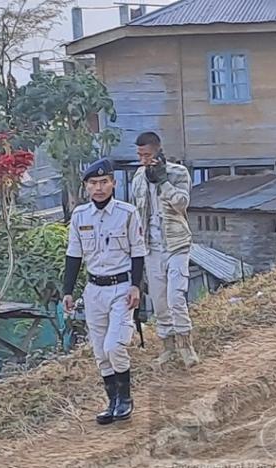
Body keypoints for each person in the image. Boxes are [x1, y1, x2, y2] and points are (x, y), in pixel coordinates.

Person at [62, 158, 149, 425]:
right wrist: (68, 292)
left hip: (122, 288)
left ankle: (125, 399)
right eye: (93, 183)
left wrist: (136, 285)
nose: (99, 188)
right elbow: (73, 256)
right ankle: (112, 402)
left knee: (114, 346)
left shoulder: (127, 213)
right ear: (86, 187)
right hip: (93, 290)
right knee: (100, 351)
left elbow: (138, 252)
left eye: (103, 182)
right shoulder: (79, 216)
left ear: (113, 183)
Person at [129, 132, 199, 368]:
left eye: (147, 155)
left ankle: (186, 346)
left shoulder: (178, 173)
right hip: (151, 247)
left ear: (158, 151)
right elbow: (137, 212)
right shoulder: (138, 177)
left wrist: (163, 182)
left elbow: (182, 204)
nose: (143, 159)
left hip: (176, 243)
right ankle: (168, 347)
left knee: (176, 297)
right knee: (159, 301)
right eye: (140, 155)